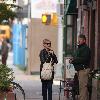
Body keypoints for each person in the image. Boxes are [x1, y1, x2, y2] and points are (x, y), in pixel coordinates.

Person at [69, 34, 91, 100]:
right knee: (81, 88)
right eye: (78, 39)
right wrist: (72, 60)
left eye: (80, 39)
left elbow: (84, 59)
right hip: (79, 70)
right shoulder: (79, 48)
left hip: (83, 70)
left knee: (83, 88)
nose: (78, 41)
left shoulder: (86, 49)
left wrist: (74, 60)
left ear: (84, 40)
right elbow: (76, 57)